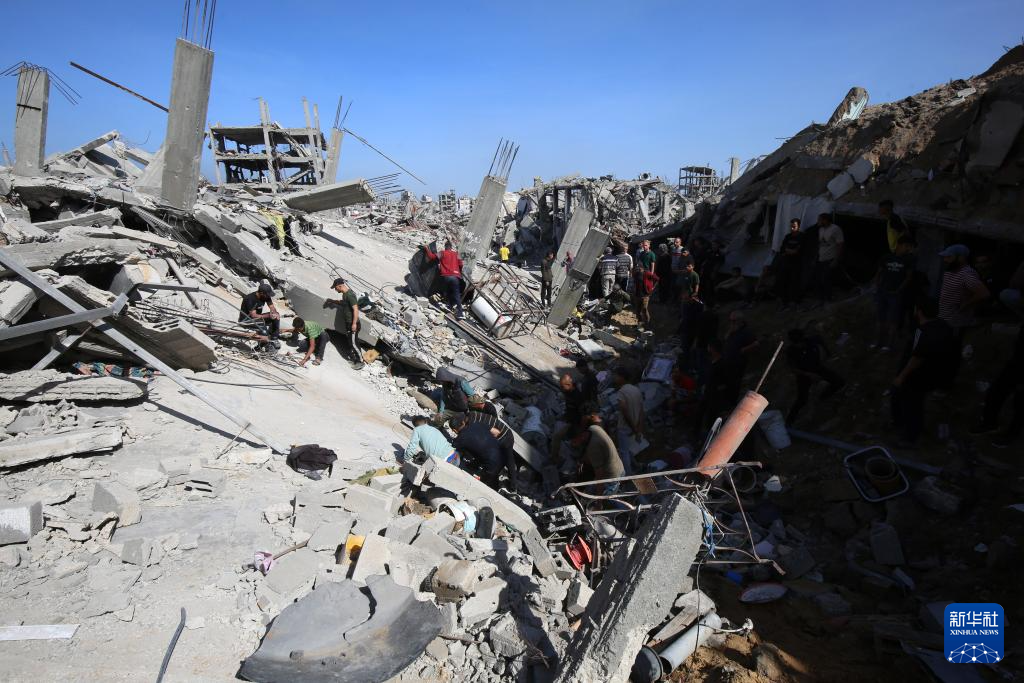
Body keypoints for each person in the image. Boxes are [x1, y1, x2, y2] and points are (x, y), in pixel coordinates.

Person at [891, 299, 959, 447]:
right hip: (934, 374)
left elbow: (917, 357)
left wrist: (902, 376)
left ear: (919, 311)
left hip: (917, 376)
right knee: (911, 401)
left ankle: (910, 437)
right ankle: (906, 425)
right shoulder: (944, 326)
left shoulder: (922, 331)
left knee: (911, 404)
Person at [970, 327, 1024, 448]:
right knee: (995, 393)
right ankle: (989, 423)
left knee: (1020, 405)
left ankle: (1012, 434)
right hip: (1017, 363)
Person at [785, 328, 846, 426]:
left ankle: (822, 397)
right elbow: (793, 369)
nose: (799, 346)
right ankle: (789, 422)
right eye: (797, 344)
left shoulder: (810, 340)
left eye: (800, 343)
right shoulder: (791, 351)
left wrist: (827, 352)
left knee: (839, 382)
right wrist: (809, 375)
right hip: (803, 374)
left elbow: (819, 338)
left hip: (817, 368)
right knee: (802, 399)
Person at [937, 244, 989, 341]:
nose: (945, 260)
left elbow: (984, 293)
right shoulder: (950, 271)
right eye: (945, 257)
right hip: (944, 318)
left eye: (949, 257)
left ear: (961, 258)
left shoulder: (966, 273)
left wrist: (966, 304)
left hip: (956, 323)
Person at [873, 236, 915, 351]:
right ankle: (878, 342)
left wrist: (899, 289)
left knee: (893, 320)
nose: (908, 249)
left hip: (895, 294)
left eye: (909, 247)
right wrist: (877, 286)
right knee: (880, 318)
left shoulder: (908, 260)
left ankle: (889, 345)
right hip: (882, 292)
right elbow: (879, 273)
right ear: (899, 245)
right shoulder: (887, 257)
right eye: (906, 246)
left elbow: (908, 277)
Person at [449, 415, 506, 488]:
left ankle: (492, 486)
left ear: (454, 430)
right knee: (479, 451)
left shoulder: (460, 439)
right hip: (504, 454)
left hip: (493, 465)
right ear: (463, 422)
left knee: (483, 485)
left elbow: (453, 452)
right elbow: (497, 432)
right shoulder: (476, 423)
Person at [579, 410, 625, 495]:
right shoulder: (594, 428)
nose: (574, 444)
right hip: (620, 469)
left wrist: (599, 500)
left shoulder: (593, 448)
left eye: (575, 441)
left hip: (612, 479)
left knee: (603, 498)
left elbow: (600, 478)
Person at [612, 367, 646, 475]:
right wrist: (638, 429)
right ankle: (636, 465)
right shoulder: (636, 389)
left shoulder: (621, 392)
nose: (614, 378)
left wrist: (635, 429)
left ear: (622, 377)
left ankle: (629, 475)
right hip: (634, 425)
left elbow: (625, 412)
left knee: (624, 452)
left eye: (616, 376)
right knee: (626, 448)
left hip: (625, 427)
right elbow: (641, 411)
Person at [328, 277, 364, 368]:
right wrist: (333, 301)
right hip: (349, 323)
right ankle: (355, 359)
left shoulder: (350, 295)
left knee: (354, 343)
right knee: (352, 342)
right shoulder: (345, 294)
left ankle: (360, 361)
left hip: (353, 323)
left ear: (339, 286)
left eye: (335, 288)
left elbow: (355, 309)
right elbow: (344, 303)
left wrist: (354, 324)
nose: (335, 290)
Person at [424, 241, 465, 319]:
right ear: (451, 247)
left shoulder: (442, 253)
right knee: (456, 294)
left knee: (443, 290)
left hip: (446, 277)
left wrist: (426, 248)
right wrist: (458, 272)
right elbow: (461, 264)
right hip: (455, 277)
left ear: (445, 247)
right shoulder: (456, 254)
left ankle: (442, 305)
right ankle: (460, 313)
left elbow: (431, 257)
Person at [814, 213, 844, 303]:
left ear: (825, 220)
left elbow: (840, 245)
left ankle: (828, 299)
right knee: (818, 280)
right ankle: (820, 299)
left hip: (830, 258)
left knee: (826, 279)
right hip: (821, 259)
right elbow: (820, 244)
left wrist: (836, 260)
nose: (818, 222)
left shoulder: (835, 229)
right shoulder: (821, 229)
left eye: (820, 220)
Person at [776, 219, 804, 309]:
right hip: (786, 262)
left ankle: (795, 301)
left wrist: (789, 251)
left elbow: (798, 251)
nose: (792, 228)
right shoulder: (788, 236)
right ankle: (784, 301)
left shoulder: (802, 237)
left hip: (796, 263)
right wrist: (789, 251)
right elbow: (782, 249)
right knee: (784, 281)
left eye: (794, 226)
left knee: (795, 281)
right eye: (791, 226)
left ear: (798, 226)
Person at [723, 310, 758, 378]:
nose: (731, 323)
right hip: (728, 363)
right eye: (730, 320)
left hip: (738, 364)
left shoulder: (746, 332)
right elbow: (726, 340)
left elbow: (755, 344)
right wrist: (729, 333)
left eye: (733, 321)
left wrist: (744, 349)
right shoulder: (732, 330)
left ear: (740, 320)